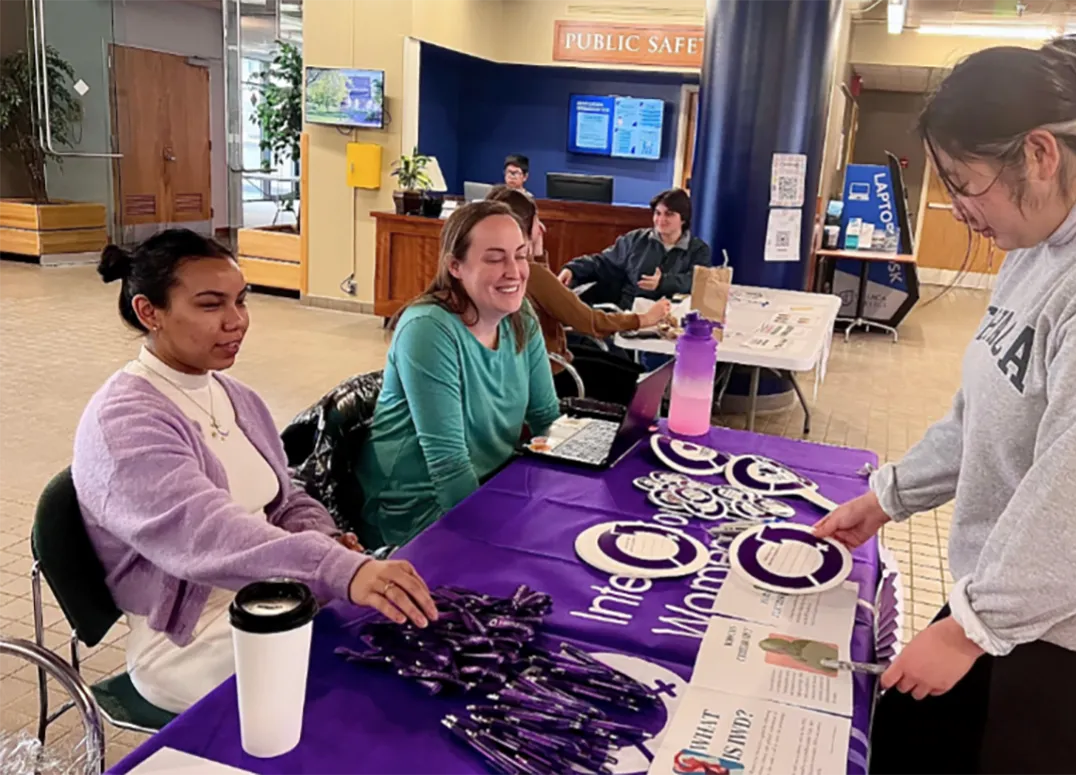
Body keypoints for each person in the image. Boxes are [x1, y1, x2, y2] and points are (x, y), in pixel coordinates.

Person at [812, 36, 1076, 775]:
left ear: (1040, 154)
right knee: (908, 737)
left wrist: (971, 629)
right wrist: (888, 496)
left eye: (965, 184)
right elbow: (988, 407)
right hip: (1027, 586)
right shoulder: (1041, 239)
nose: (958, 210)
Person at [73, 230, 438, 714]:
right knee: (365, 693)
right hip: (190, 640)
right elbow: (206, 534)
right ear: (149, 312)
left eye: (241, 300)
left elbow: (284, 497)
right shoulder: (123, 422)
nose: (237, 321)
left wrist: (325, 536)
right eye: (211, 305)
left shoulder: (234, 396)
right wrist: (333, 568)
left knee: (409, 653)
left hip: (275, 595)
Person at [356, 201, 560, 548]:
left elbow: (547, 418)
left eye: (521, 255)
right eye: (494, 259)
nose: (514, 271)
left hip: (491, 485)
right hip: (418, 508)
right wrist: (492, 542)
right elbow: (449, 466)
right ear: (455, 266)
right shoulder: (428, 329)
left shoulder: (520, 315)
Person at [485, 185, 671, 403]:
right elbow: (589, 321)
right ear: (524, 227)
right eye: (537, 220)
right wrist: (644, 319)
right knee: (637, 383)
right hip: (550, 373)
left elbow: (548, 303)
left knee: (629, 368)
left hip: (546, 361)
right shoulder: (530, 273)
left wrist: (537, 252)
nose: (542, 227)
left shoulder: (504, 271)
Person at [558, 188, 711, 309]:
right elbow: (603, 261)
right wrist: (573, 269)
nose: (661, 220)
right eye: (657, 213)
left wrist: (663, 282)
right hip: (631, 315)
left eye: (669, 214)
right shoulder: (635, 240)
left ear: (683, 219)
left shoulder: (699, 250)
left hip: (673, 317)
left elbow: (697, 282)